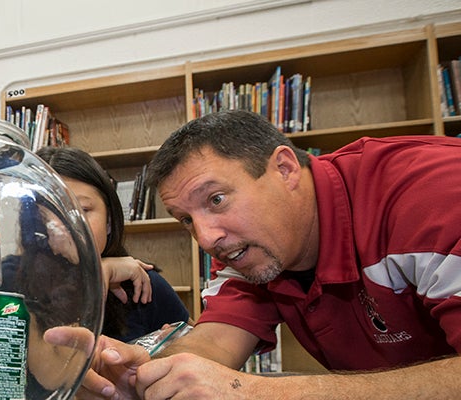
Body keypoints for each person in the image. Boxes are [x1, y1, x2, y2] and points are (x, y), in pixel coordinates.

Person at [56, 109, 461, 399]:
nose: (206, 237)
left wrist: (257, 391)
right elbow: (214, 344)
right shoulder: (245, 248)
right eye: (185, 220)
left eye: (216, 199)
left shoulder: (431, 197)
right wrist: (143, 370)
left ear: (284, 169)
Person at [35, 146, 190, 342]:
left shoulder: (142, 283)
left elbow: (198, 352)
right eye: (47, 213)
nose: (65, 226)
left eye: (82, 210)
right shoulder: (5, 283)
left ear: (108, 221)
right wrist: (96, 275)